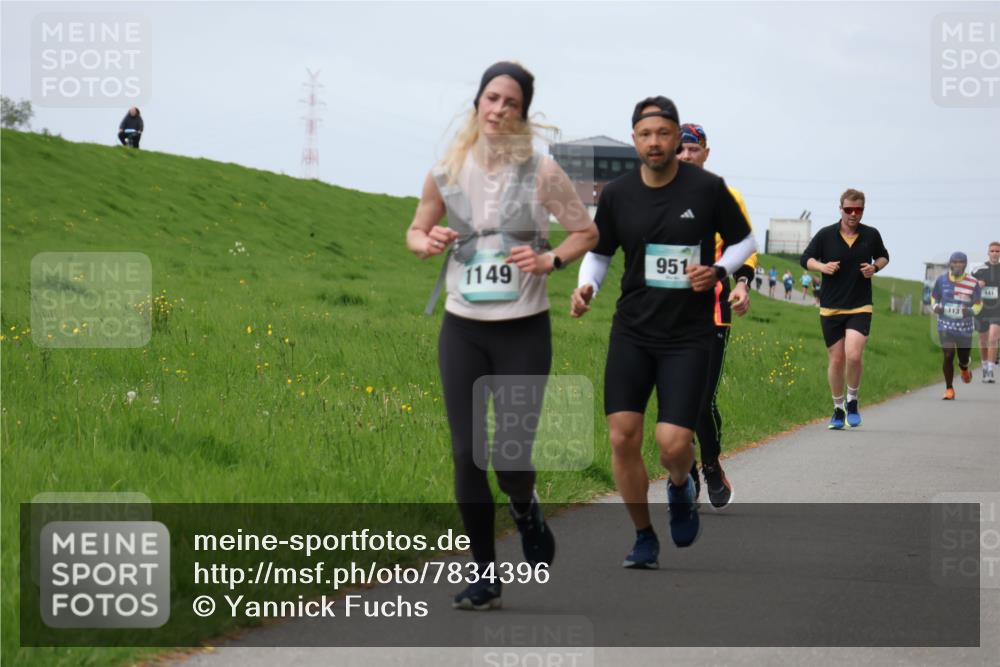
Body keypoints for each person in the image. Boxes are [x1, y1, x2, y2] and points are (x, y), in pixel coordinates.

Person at [406, 62, 598, 609]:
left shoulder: (542, 172)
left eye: (510, 102)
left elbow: (586, 232)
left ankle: (524, 506)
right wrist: (426, 242)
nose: (498, 109)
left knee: (511, 456)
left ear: (523, 113)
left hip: (523, 329)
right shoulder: (447, 170)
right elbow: (416, 230)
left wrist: (551, 260)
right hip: (462, 328)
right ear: (477, 103)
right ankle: (485, 574)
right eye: (491, 98)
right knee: (467, 454)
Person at [570, 97, 755, 569]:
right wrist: (587, 286)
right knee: (622, 437)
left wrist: (719, 271)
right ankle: (643, 537)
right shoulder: (618, 194)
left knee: (673, 444)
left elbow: (745, 241)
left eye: (664, 133)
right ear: (635, 140)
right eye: (645, 134)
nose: (655, 142)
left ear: (676, 139)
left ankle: (680, 484)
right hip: (632, 331)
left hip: (688, 335)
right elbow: (599, 252)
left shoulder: (708, 189)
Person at [675, 122, 757, 509]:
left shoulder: (726, 196)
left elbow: (744, 246)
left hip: (712, 313)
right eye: (680, 149)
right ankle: (686, 470)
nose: (686, 156)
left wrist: (742, 284)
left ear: (706, 153)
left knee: (700, 399)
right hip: (667, 315)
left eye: (693, 149)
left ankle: (709, 464)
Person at [801, 188, 889, 429]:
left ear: (863, 210)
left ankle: (852, 401)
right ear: (840, 209)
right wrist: (822, 267)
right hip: (831, 307)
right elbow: (805, 259)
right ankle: (838, 408)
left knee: (854, 354)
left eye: (858, 210)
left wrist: (874, 268)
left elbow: (883, 256)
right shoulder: (826, 235)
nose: (853, 214)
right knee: (837, 359)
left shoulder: (871, 234)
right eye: (849, 209)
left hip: (860, 305)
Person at [932, 252, 983, 399]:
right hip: (945, 325)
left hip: (964, 328)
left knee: (963, 358)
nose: (957, 265)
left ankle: (964, 367)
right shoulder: (941, 280)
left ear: (965, 264)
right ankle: (949, 389)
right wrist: (936, 307)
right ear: (950, 264)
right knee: (948, 354)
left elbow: (978, 304)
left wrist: (970, 311)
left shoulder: (973, 283)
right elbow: (934, 298)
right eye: (954, 262)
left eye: (961, 262)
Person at [972, 242, 1000, 382]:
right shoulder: (979, 269)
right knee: (983, 341)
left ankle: (990, 370)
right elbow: (969, 285)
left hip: (997, 309)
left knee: (993, 338)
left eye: (997, 251)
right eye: (992, 251)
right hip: (982, 309)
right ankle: (984, 366)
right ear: (988, 253)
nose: (995, 253)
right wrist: (977, 284)